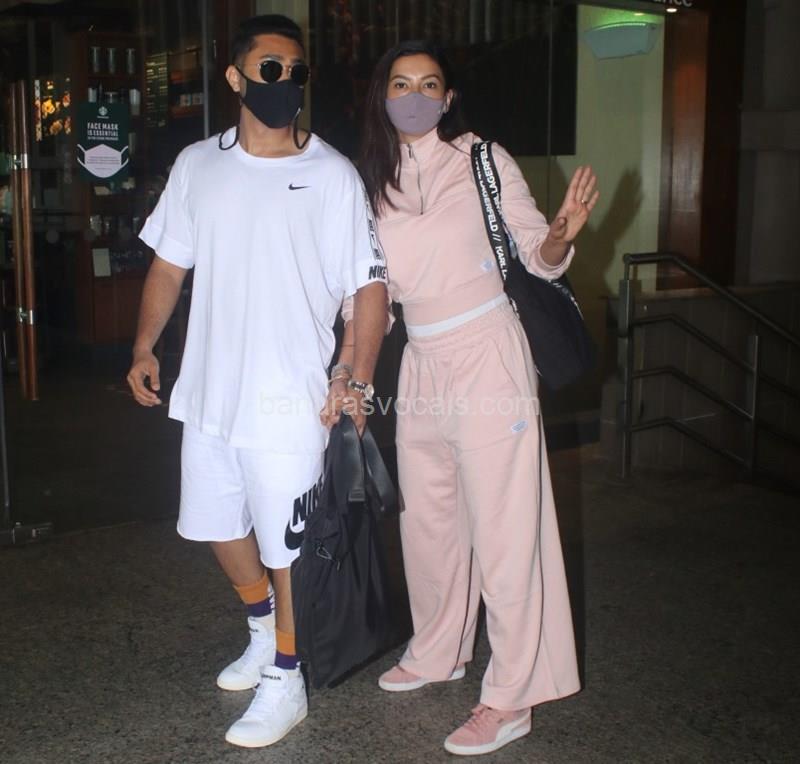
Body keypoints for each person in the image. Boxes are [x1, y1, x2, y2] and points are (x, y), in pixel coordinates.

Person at [126, 14, 388, 749]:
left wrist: (356, 380)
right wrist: (144, 345)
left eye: (297, 72)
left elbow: (369, 289)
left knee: (289, 550)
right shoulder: (197, 165)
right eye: (271, 69)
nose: (286, 83)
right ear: (236, 78)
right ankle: (264, 628)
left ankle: (288, 677)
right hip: (210, 391)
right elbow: (169, 265)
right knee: (216, 525)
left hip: (289, 399)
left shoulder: (332, 175)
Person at [341, 40, 598, 756]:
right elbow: (367, 294)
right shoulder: (370, 182)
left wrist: (559, 238)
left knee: (508, 530)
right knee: (428, 521)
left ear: (448, 99)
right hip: (421, 361)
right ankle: (438, 649)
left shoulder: (483, 160)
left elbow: (537, 255)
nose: (415, 96)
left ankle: (512, 697)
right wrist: (350, 373)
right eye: (401, 83)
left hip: (489, 351)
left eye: (430, 84)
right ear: (382, 95)